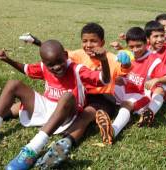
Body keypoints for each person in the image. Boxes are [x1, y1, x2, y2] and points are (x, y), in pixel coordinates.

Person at [0, 40, 111, 170]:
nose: (56, 67)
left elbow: (104, 80)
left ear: (66, 55)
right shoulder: (43, 67)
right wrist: (8, 59)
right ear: (44, 63)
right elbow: (26, 69)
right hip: (47, 109)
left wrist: (103, 60)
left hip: (68, 114)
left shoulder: (77, 69)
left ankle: (32, 149)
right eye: (51, 65)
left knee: (67, 96)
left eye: (60, 62)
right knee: (13, 84)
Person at [34, 23, 132, 169]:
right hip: (84, 96)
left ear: (102, 43)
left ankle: (64, 144)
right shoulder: (78, 54)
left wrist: (126, 62)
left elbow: (124, 70)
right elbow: (58, 54)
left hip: (104, 97)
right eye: (85, 41)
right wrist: (37, 42)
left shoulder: (111, 58)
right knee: (75, 110)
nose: (88, 45)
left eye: (93, 41)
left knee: (85, 116)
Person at [95, 27, 166, 145]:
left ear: (146, 43)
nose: (135, 50)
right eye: (132, 47)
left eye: (139, 46)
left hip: (141, 94)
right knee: (102, 86)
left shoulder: (153, 60)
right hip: (126, 88)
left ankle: (113, 131)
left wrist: (156, 79)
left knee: (127, 104)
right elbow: (120, 74)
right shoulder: (127, 56)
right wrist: (116, 77)